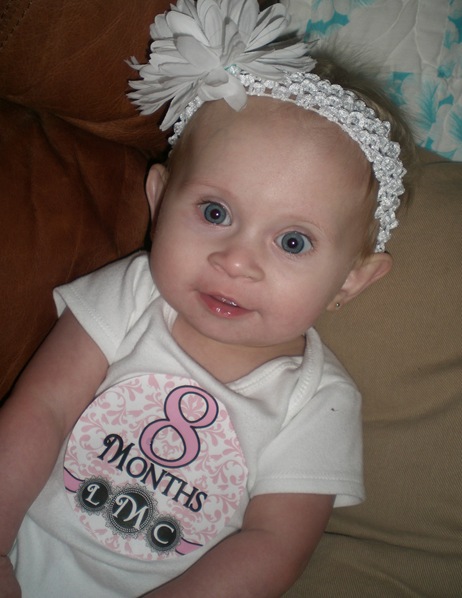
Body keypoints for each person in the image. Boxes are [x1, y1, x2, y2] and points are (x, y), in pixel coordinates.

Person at [0, 1, 416, 596]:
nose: (236, 261)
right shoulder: (133, 293)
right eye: (215, 212)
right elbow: (42, 409)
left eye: (292, 241)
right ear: (159, 199)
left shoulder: (318, 402)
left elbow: (273, 547)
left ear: (351, 280)